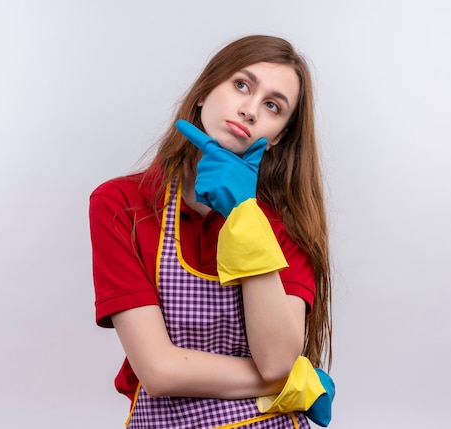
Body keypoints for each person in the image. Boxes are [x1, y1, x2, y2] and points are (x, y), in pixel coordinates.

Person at [89, 35, 335, 428]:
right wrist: (295, 382)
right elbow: (160, 372)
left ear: (277, 136)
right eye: (242, 85)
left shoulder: (286, 223)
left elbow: (274, 358)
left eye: (272, 106)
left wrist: (243, 214)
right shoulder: (121, 205)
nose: (250, 110)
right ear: (203, 91)